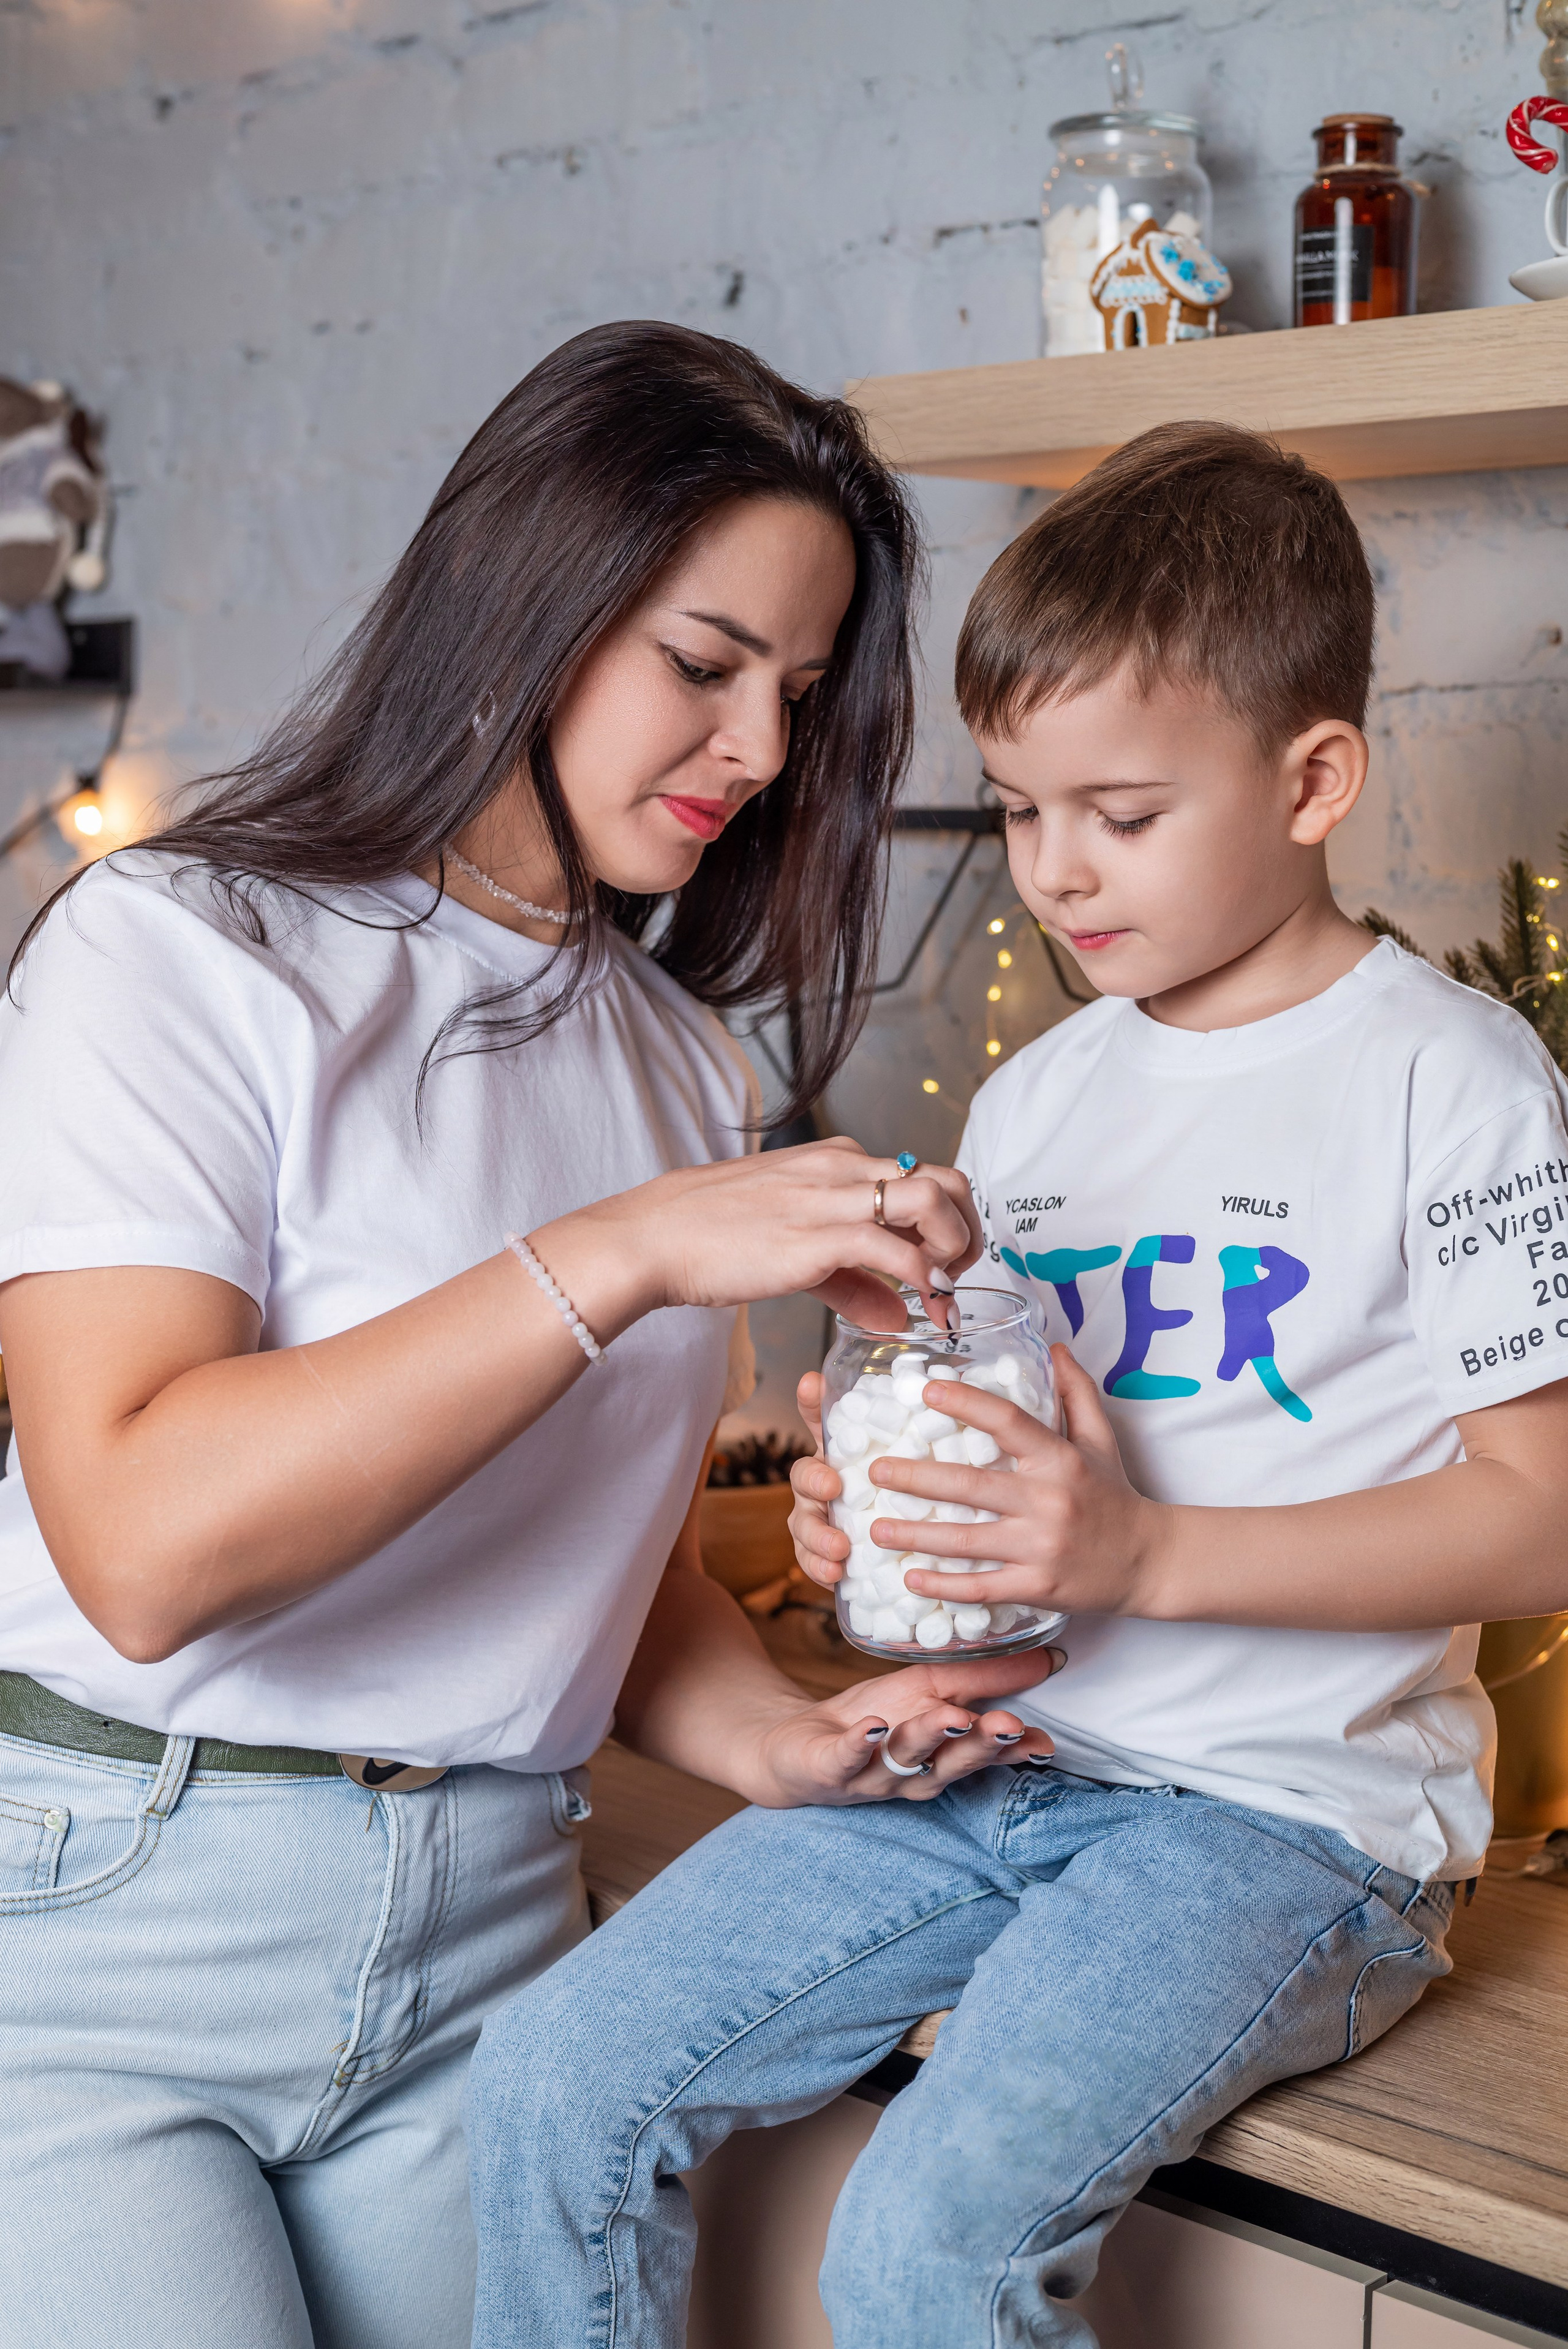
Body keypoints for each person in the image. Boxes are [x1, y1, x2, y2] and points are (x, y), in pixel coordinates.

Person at [0, 321, 1059, 2349]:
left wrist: (779, 1737)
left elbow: (598, 1558)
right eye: (704, 662)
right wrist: (625, 1250)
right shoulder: (180, 947)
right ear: (530, 599)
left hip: (491, 1931)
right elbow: (136, 1541)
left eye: (799, 692)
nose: (760, 748)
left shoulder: (675, 1061)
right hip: (114, 1913)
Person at [464, 422, 1568, 2349]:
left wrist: (1142, 1556)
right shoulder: (1041, 1097)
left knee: (925, 2242)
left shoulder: (1451, 1081)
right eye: (1018, 809)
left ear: (1313, 778)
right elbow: (987, 1432)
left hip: (1282, 1824)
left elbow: (1544, 1517)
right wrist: (872, 1523)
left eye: (1121, 814)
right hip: (998, 1758)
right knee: (554, 2081)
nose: (1056, 871)